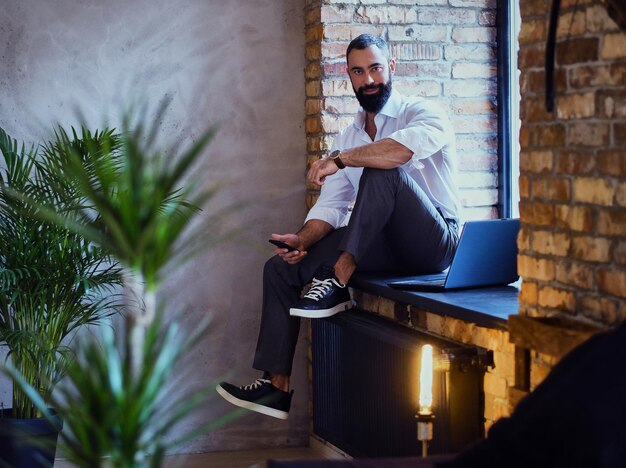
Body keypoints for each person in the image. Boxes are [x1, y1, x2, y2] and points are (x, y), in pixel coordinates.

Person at [216, 34, 461, 420]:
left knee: (384, 173)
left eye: (376, 68)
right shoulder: (350, 135)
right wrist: (302, 239)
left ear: (391, 67)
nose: (369, 80)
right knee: (281, 268)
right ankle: (275, 386)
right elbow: (330, 207)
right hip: (378, 243)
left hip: (434, 244)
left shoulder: (423, 112)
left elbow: (399, 152)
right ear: (348, 76)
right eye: (359, 72)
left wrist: (344, 159)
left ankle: (339, 278)